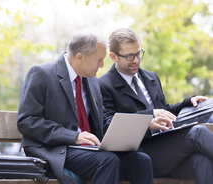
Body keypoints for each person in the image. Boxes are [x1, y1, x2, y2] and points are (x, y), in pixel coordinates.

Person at [17, 33, 153, 184]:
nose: (102, 65)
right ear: (80, 57)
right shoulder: (42, 74)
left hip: (89, 149)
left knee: (141, 161)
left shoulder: (92, 80)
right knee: (107, 161)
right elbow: (27, 121)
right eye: (99, 60)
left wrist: (121, 135)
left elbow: (100, 121)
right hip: (55, 148)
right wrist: (73, 137)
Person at [99, 28, 213, 184]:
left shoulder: (151, 77)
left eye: (138, 53)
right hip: (143, 154)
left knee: (201, 162)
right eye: (130, 56)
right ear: (113, 57)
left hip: (170, 147)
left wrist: (189, 102)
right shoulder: (104, 86)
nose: (136, 60)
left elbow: (164, 110)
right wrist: (148, 119)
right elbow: (108, 124)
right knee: (197, 132)